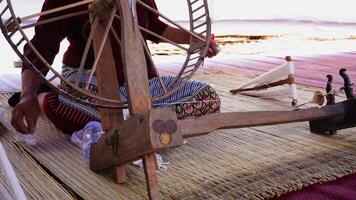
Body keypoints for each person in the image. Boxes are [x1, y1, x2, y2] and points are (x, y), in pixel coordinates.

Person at [11, 0, 220, 135]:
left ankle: (131, 121)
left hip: (138, 82)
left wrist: (196, 40)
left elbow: (155, 27)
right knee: (69, 108)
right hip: (88, 80)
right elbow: (41, 48)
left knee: (207, 98)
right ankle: (43, 95)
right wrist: (27, 96)